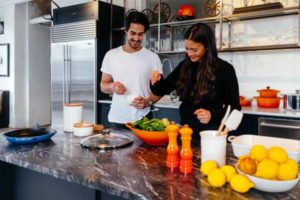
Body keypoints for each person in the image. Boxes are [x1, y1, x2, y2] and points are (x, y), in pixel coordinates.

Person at [150, 23, 241, 140]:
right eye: (187, 48)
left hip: (212, 134)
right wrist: (156, 79)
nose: (189, 53)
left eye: (194, 50)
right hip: (186, 133)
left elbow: (235, 109)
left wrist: (212, 115)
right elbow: (162, 89)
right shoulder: (184, 66)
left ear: (207, 47)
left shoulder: (225, 70)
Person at [100, 11, 162, 129]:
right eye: (133, 33)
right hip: (117, 119)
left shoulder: (152, 58)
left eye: (140, 34)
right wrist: (112, 86)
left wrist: (147, 101)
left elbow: (159, 90)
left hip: (143, 119)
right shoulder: (111, 55)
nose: (136, 38)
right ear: (126, 31)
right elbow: (103, 85)